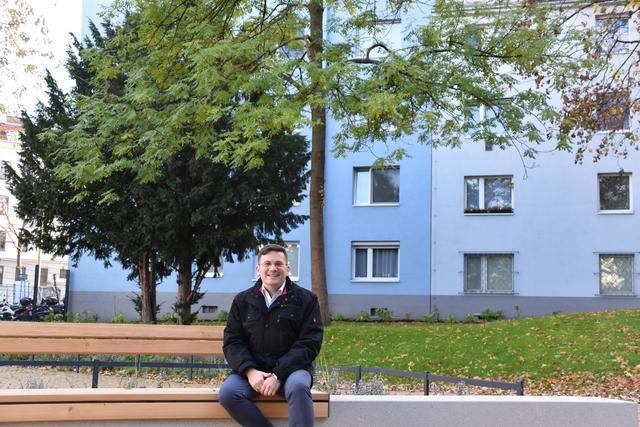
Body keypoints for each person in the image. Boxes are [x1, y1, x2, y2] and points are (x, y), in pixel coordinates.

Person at [220, 244, 324, 427]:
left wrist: (278, 375)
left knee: (299, 388)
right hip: (253, 371)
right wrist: (249, 371)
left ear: (288, 268)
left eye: (278, 263)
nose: (273, 268)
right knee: (229, 393)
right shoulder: (242, 301)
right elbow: (233, 342)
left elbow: (310, 342)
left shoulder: (306, 300)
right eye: (267, 263)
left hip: (293, 371)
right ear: (258, 268)